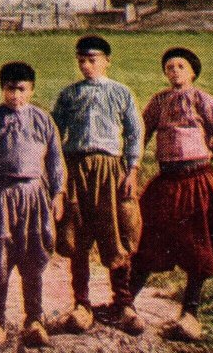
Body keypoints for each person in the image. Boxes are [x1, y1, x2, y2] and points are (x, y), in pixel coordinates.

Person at [52, 36, 145, 335]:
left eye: (92, 60)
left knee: (116, 232)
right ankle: (82, 303)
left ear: (106, 61)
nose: (86, 66)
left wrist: (131, 170)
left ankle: (124, 303)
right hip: (76, 168)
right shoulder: (69, 95)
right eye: (81, 60)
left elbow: (134, 133)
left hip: (110, 169)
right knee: (76, 234)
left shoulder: (121, 93)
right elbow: (54, 134)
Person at [130, 47, 213, 341]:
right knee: (147, 237)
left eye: (181, 66)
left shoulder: (203, 100)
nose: (175, 71)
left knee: (198, 242)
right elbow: (140, 134)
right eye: (169, 67)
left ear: (192, 72)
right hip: (167, 181)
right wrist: (133, 163)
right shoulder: (159, 101)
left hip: (198, 179)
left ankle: (189, 313)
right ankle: (125, 303)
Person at [0, 62, 65, 349]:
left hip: (33, 193)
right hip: (0, 193)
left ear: (31, 90)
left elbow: (54, 160)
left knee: (33, 254)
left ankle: (34, 319)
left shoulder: (42, 119)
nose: (15, 95)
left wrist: (57, 193)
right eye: (9, 89)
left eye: (21, 89)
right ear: (1, 89)